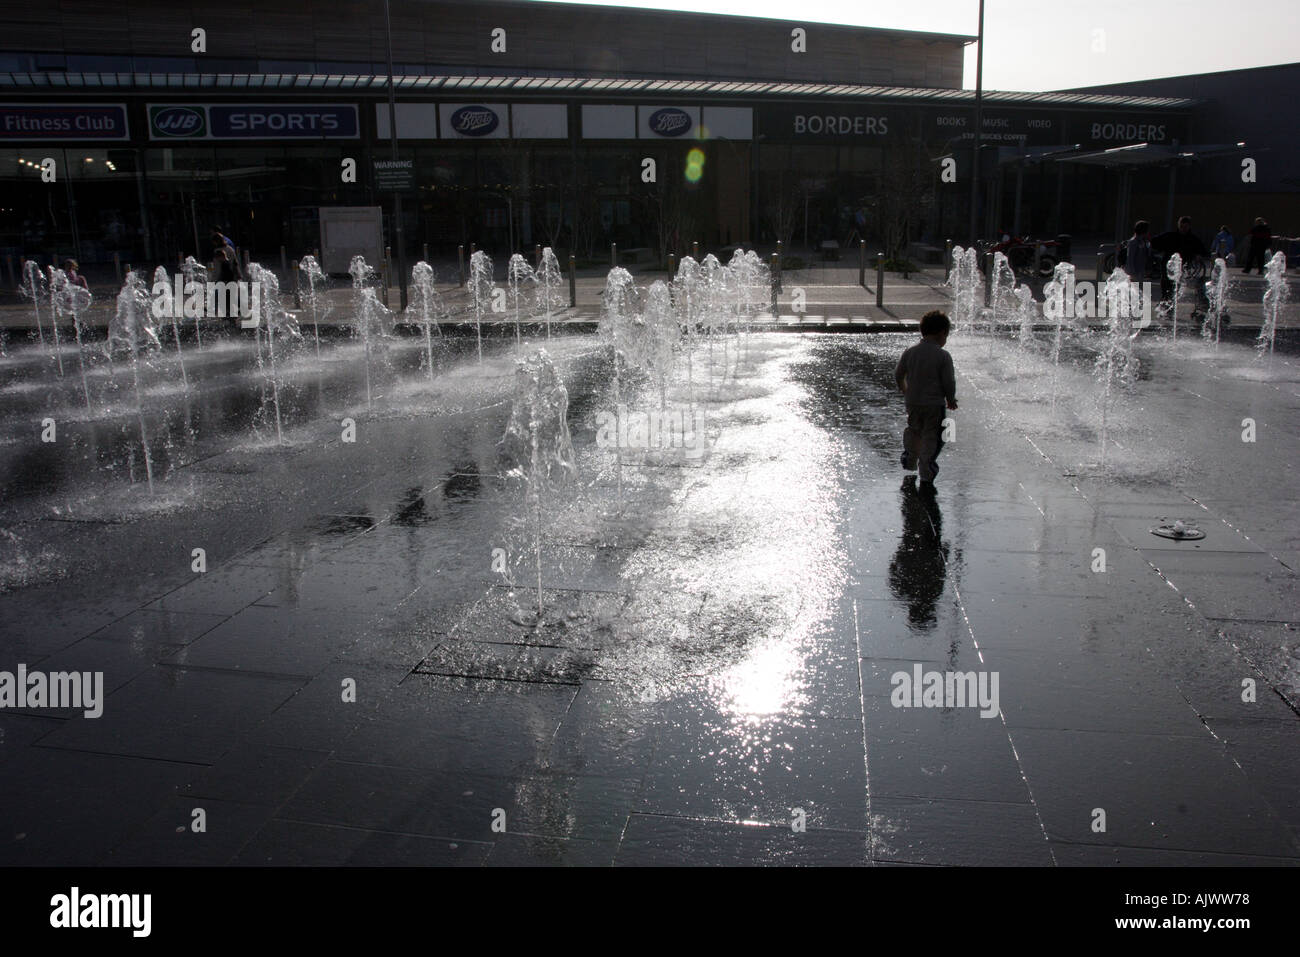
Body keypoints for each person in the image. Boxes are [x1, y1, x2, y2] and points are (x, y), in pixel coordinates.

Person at [896, 310, 958, 494]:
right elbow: (948, 381)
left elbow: (899, 374)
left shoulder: (910, 352)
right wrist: (950, 398)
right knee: (933, 435)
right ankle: (926, 466)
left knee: (915, 428)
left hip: (913, 402)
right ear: (941, 333)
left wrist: (904, 389)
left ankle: (910, 455)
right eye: (946, 335)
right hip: (934, 404)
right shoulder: (943, 356)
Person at [1151, 216, 1208, 298]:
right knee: (1166, 289)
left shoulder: (1193, 240)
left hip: (1181, 269)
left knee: (1175, 290)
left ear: (1189, 227)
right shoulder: (1171, 236)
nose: (1183, 229)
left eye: (1185, 227)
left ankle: (1170, 304)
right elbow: (1155, 242)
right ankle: (1166, 303)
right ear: (1178, 226)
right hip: (1167, 268)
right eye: (1181, 226)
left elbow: (1203, 251)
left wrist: (1198, 255)